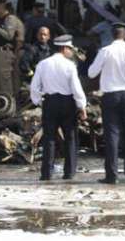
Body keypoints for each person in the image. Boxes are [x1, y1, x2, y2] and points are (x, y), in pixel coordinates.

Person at [88, 22, 125, 185]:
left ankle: (112, 176)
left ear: (112, 35)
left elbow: (91, 73)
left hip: (110, 96)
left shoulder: (105, 51)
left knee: (112, 135)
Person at [30, 35, 87, 181]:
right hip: (68, 103)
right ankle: (69, 172)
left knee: (49, 138)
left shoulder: (43, 64)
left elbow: (34, 87)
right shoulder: (70, 65)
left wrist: (39, 102)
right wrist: (82, 106)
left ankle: (46, 173)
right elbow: (76, 88)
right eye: (70, 49)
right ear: (64, 48)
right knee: (70, 137)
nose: (71, 52)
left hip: (50, 102)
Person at [0, 0, 24, 96]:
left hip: (4, 53)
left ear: (1, 6)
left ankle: (9, 105)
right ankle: (0, 105)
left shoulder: (10, 18)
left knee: (4, 82)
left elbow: (9, 36)